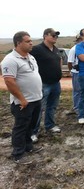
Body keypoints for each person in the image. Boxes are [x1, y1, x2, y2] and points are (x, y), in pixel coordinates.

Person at [1, 31, 43, 164]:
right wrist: (22, 99)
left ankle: (28, 147)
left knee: (30, 125)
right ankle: (18, 154)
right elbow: (9, 81)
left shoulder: (30, 57)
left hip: (36, 99)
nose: (31, 43)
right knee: (21, 127)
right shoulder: (10, 60)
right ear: (18, 43)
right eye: (28, 41)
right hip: (23, 102)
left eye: (31, 41)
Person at [30, 28, 62, 142]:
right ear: (45, 36)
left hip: (56, 83)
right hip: (43, 84)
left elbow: (59, 61)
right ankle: (33, 132)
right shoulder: (37, 49)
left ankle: (50, 125)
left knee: (52, 106)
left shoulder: (56, 49)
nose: (55, 37)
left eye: (56, 35)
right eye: (53, 35)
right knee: (39, 108)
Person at [67, 34, 83, 114]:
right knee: (77, 90)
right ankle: (76, 107)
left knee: (83, 90)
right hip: (76, 72)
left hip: (83, 72)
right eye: (80, 39)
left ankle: (81, 105)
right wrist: (71, 71)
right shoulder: (73, 50)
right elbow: (69, 62)